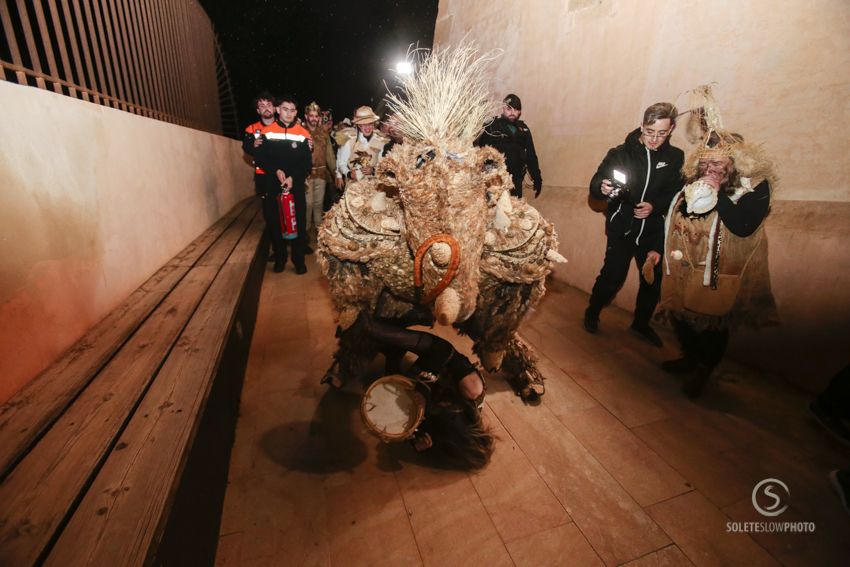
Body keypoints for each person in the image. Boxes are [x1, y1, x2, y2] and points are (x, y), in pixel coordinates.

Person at [656, 89, 778, 397]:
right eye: (705, 166)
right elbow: (679, 217)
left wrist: (718, 194)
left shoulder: (754, 188)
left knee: (711, 321)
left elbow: (742, 225)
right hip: (686, 265)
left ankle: (705, 367)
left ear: (734, 165)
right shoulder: (691, 184)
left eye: (718, 166)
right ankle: (690, 357)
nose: (709, 172)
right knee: (683, 316)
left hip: (720, 270)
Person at [584, 102, 684, 347]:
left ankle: (640, 325)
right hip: (623, 227)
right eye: (650, 132)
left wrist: (654, 206)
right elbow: (597, 182)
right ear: (642, 126)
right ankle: (592, 312)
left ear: (671, 130)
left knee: (652, 280)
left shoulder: (675, 158)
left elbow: (675, 192)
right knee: (613, 276)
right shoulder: (620, 153)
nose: (654, 139)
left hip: (652, 231)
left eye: (661, 133)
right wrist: (602, 187)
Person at [359, 312, 494, 469]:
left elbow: (411, 424)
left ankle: (392, 351)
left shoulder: (444, 438)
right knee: (372, 330)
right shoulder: (473, 391)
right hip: (435, 356)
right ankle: (381, 333)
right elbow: (444, 352)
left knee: (395, 395)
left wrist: (417, 444)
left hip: (418, 379)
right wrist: (424, 390)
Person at [253, 95, 313, 274]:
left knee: (299, 223)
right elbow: (260, 159)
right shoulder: (267, 132)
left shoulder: (303, 133)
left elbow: (306, 163)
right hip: (273, 184)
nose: (289, 113)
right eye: (285, 109)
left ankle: (298, 260)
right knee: (275, 222)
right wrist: (276, 171)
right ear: (278, 110)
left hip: (295, 185)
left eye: (293, 110)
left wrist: (293, 177)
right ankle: (280, 258)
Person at [475, 94, 542, 199]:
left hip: (516, 179)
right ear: (503, 108)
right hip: (496, 179)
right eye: (509, 109)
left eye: (516, 110)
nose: (512, 113)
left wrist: (537, 178)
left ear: (520, 112)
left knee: (514, 209)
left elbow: (531, 155)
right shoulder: (491, 126)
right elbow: (478, 150)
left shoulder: (523, 129)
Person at [303, 101, 335, 248]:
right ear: (306, 116)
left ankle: (319, 234)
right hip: (306, 175)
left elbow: (329, 154)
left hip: (321, 174)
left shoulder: (324, 133)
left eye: (316, 116)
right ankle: (305, 234)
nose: (314, 118)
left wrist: (335, 172)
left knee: (318, 204)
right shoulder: (300, 132)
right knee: (307, 204)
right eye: (311, 115)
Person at [335, 106, 389, 188]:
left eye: (370, 124)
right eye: (364, 124)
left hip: (373, 186)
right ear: (359, 125)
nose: (367, 128)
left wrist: (373, 170)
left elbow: (382, 164)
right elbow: (342, 163)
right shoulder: (350, 140)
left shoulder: (380, 140)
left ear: (374, 123)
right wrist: (349, 174)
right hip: (353, 187)